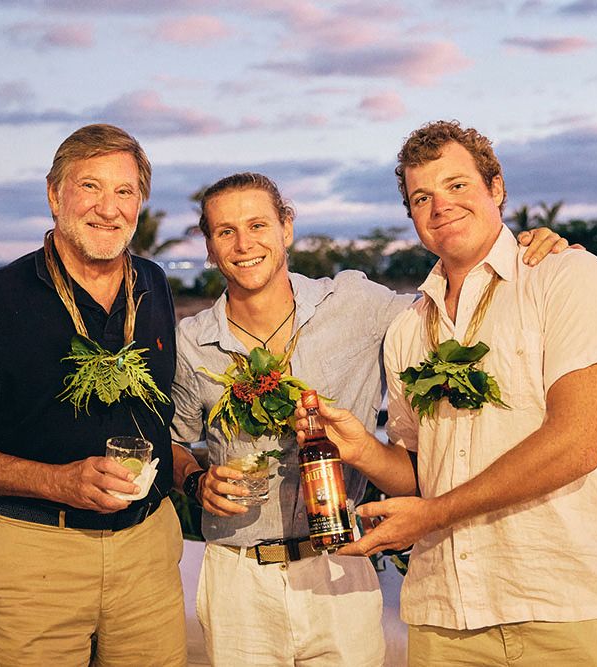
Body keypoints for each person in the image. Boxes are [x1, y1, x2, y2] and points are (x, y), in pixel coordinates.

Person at [169, 172, 569, 665]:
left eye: (258, 225)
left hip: (341, 565)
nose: (244, 243)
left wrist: (518, 249)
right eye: (225, 231)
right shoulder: (192, 341)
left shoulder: (355, 304)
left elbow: (453, 306)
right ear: (209, 246)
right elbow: (174, 443)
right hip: (238, 578)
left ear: (286, 228)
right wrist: (195, 481)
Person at [299, 120, 597, 666]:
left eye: (457, 185)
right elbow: (421, 469)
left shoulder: (567, 278)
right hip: (445, 618)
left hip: (565, 608)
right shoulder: (409, 329)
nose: (440, 207)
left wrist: (432, 515)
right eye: (422, 197)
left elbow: (578, 442)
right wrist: (362, 449)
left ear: (497, 188)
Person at [0, 124, 187, 666]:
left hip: (149, 552)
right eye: (90, 186)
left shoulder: (154, 285)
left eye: (125, 191)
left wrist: (197, 475)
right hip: (35, 553)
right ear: (54, 195)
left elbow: (156, 426)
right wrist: (57, 480)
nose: (108, 208)